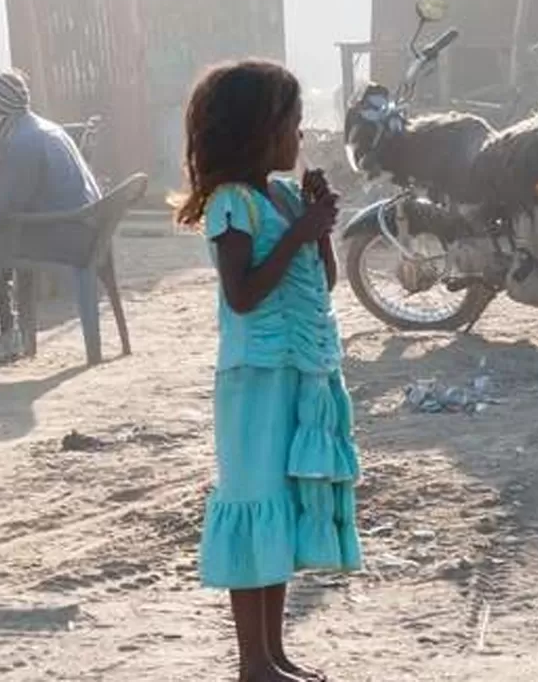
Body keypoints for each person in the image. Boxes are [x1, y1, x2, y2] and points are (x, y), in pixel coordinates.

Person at [173, 61, 361, 682]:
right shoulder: (233, 204)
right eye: (292, 125)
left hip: (293, 372)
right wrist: (298, 233)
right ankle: (253, 662)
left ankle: (275, 655)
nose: (299, 138)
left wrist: (318, 229)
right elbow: (243, 295)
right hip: (253, 379)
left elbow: (322, 282)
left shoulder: (280, 197)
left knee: (276, 511)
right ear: (257, 131)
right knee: (252, 505)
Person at [0, 70, 102, 363]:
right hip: (81, 228)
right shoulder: (40, 128)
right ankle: (4, 332)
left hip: (63, 235)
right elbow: (17, 193)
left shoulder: (22, 141)